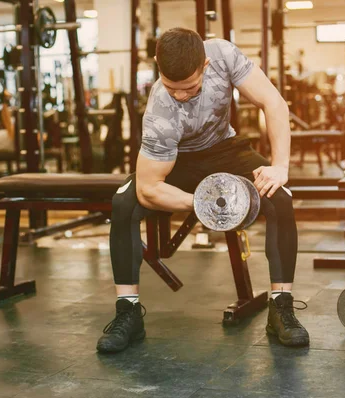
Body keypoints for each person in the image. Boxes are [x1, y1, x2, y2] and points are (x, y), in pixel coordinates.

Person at [97, 28, 309, 353]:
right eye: (173, 88)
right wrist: (203, 204)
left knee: (279, 197)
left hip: (225, 148)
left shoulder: (223, 55)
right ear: (157, 66)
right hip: (176, 159)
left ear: (206, 65)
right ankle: (128, 312)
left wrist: (280, 166)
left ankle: (281, 306)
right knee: (124, 202)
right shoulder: (159, 112)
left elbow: (273, 102)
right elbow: (148, 188)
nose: (180, 95)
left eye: (190, 87)